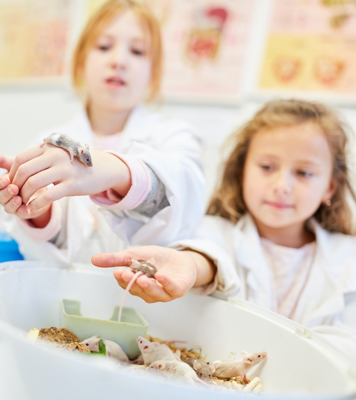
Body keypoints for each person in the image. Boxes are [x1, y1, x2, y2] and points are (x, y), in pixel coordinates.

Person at [92, 99, 356, 357]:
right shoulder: (214, 233)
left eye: (304, 173)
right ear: (242, 171)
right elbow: (209, 258)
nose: (282, 186)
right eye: (267, 167)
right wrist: (191, 265)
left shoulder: (348, 257)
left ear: (330, 187)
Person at [0, 0, 205, 264]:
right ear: (80, 62)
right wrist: (34, 211)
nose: (119, 61)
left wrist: (117, 172)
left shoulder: (173, 136)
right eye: (104, 47)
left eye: (137, 51)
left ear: (153, 73)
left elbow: (185, 193)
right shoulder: (50, 143)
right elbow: (45, 244)